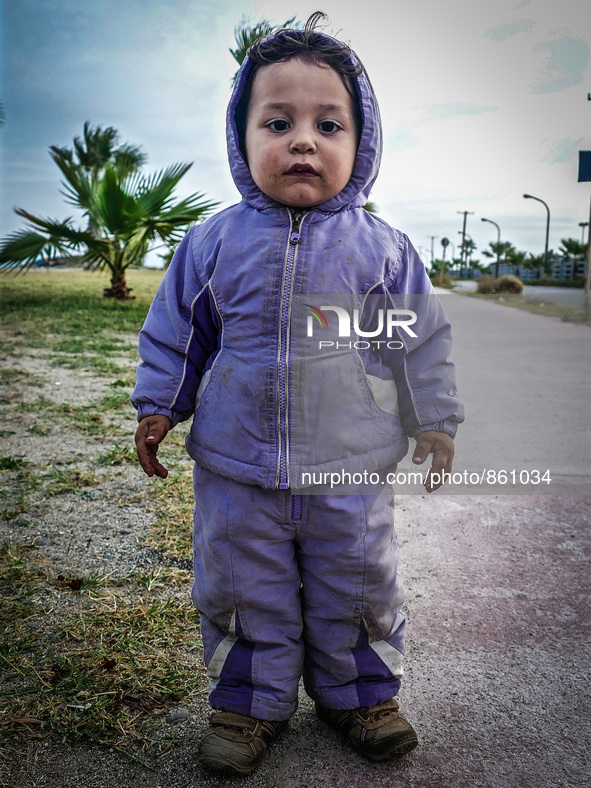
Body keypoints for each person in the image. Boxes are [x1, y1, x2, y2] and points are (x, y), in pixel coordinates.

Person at [132, 12, 463, 777]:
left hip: (348, 471)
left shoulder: (384, 249)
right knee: (245, 588)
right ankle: (248, 706)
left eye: (327, 124)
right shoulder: (210, 244)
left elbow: (418, 343)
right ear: (242, 139)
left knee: (357, 581)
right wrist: (158, 406)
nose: (303, 140)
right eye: (277, 122)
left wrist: (435, 421)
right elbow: (179, 335)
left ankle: (360, 698)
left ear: (362, 142)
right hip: (237, 470)